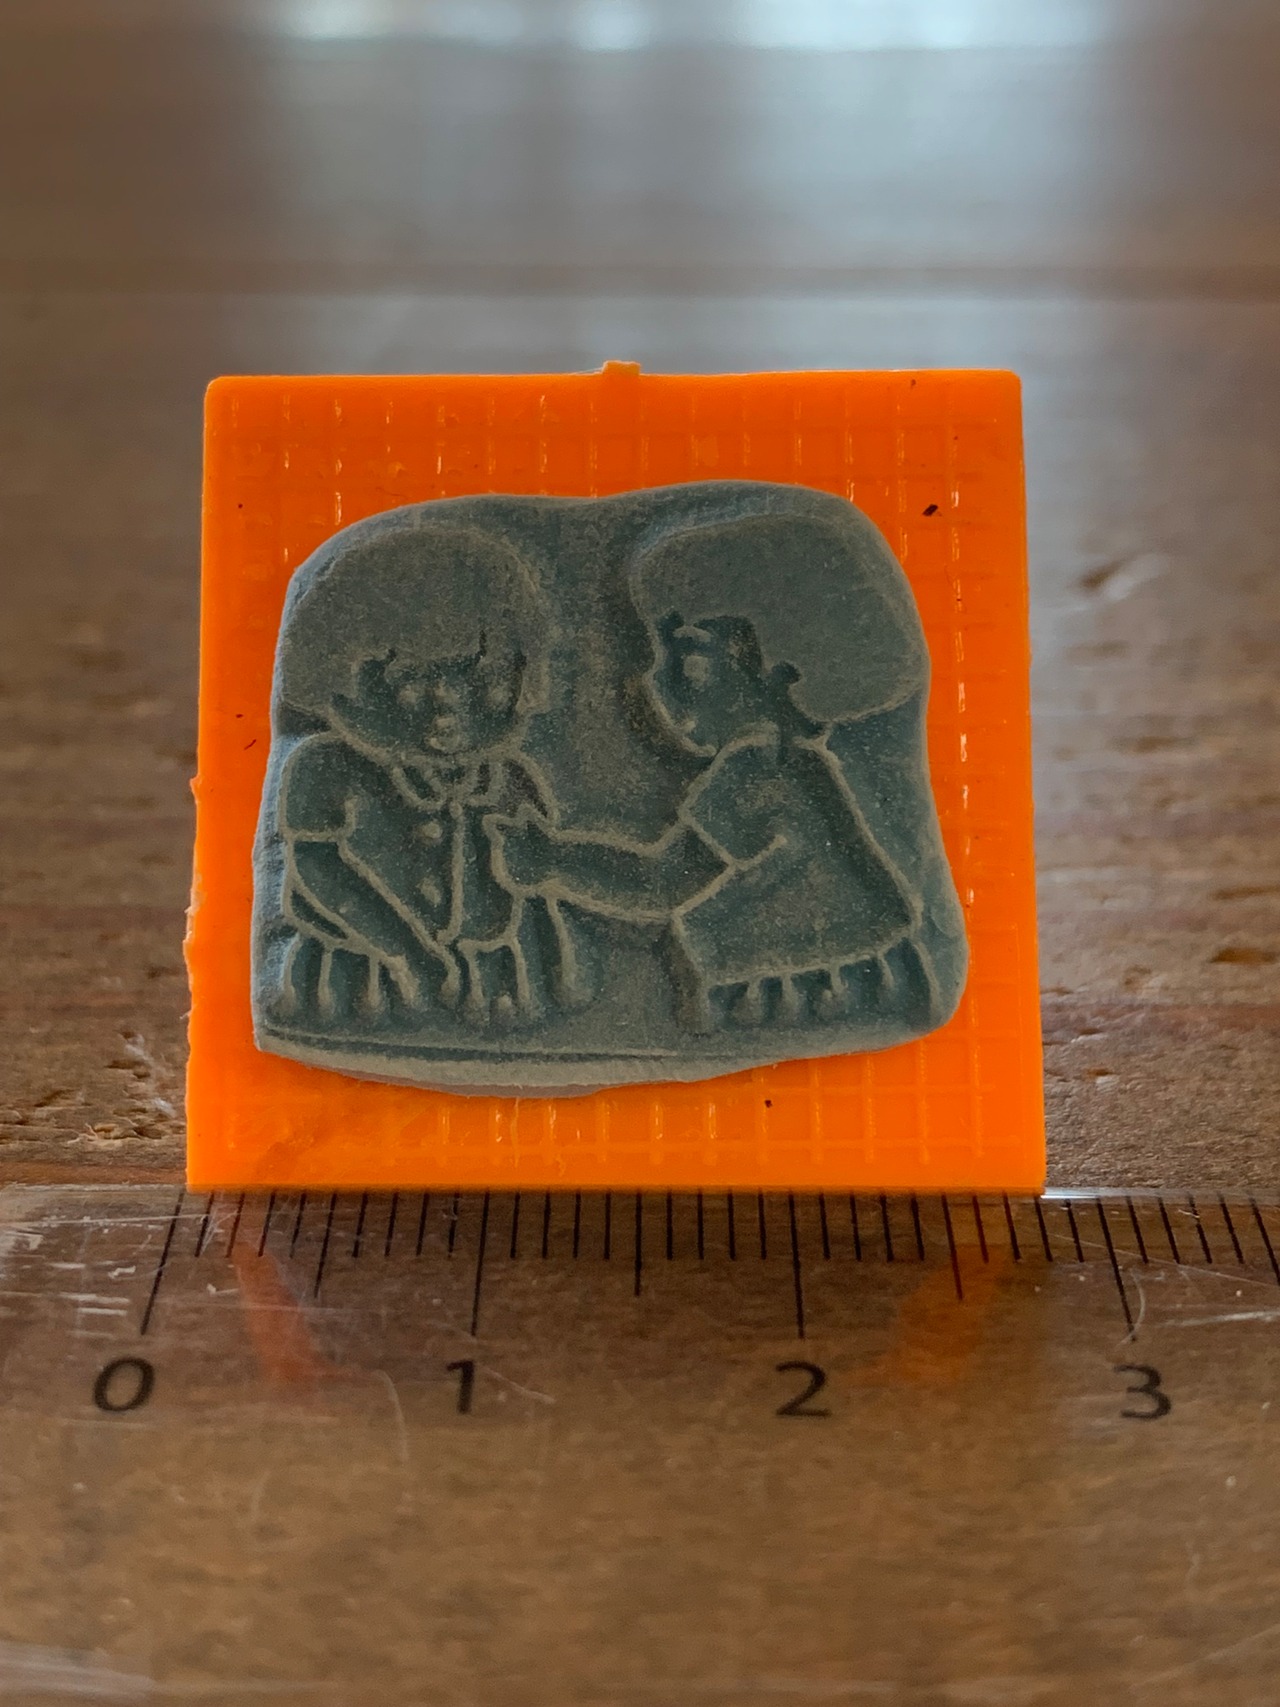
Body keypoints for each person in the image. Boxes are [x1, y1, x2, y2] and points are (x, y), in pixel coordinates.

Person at [490, 611, 937, 1033]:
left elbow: (663, 882)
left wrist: (552, 861)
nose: (660, 689)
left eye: (692, 670)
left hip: (817, 978)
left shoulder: (757, 766)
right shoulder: (798, 760)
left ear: (770, 675)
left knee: (695, 938)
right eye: (661, 667)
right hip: (872, 956)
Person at [272, 636, 582, 1028]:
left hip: (490, 989)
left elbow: (537, 890)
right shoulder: (327, 764)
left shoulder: (507, 777)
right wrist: (402, 952)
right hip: (358, 980)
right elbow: (316, 868)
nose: (446, 709)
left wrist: (555, 968)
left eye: (474, 681)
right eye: (413, 684)